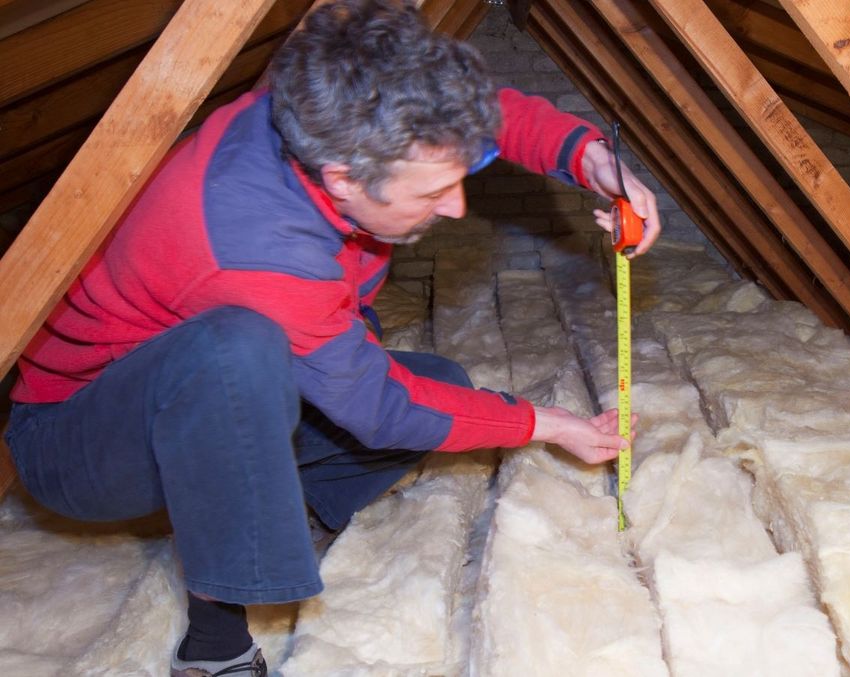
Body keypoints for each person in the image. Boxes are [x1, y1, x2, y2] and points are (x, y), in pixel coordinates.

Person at [3, 1, 660, 674]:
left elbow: (495, 115)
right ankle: (214, 648)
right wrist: (547, 423)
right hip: (77, 439)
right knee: (239, 351)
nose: (457, 205)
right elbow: (378, 408)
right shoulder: (255, 246)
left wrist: (595, 161)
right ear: (343, 179)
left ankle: (275, 505)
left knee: (446, 390)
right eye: (433, 190)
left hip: (191, 396)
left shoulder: (333, 116)